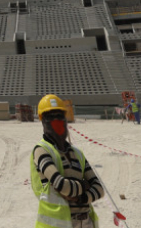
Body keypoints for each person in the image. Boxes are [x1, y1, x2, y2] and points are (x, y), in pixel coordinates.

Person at [31, 94, 104, 228]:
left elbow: (99, 188)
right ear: (43, 121)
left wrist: (79, 197)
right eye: (51, 117)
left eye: (60, 116)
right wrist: (84, 185)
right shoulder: (42, 150)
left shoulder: (77, 153)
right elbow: (61, 185)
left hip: (86, 222)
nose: (56, 120)